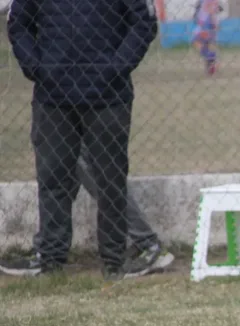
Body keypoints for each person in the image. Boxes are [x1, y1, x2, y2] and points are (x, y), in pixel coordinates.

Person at [1, 0, 158, 280]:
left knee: (110, 180)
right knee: (53, 179)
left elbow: (143, 23)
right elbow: (19, 24)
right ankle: (50, 259)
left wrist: (117, 67)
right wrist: (36, 68)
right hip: (53, 99)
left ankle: (114, 262)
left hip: (109, 98)